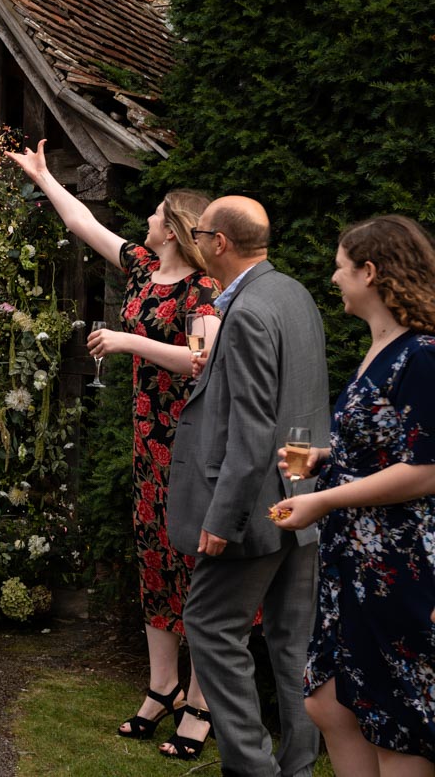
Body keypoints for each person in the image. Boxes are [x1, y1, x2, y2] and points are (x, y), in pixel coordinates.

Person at [8, 141, 218, 749]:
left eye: (155, 214)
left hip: (191, 440)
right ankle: (161, 687)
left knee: (196, 568)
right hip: (147, 440)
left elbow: (200, 362)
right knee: (155, 558)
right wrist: (45, 176)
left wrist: (129, 343)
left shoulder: (202, 291)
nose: (145, 220)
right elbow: (82, 222)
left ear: (175, 229)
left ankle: (200, 702)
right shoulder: (142, 268)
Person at [167, 195, 328, 774]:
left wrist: (222, 516)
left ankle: (254, 768)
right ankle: (299, 767)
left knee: (209, 625)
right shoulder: (293, 293)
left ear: (220, 243)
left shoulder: (252, 310)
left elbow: (255, 426)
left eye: (200, 232)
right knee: (292, 645)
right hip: (300, 501)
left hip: (254, 506)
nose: (195, 239)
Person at [271, 215, 435, 776]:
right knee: (327, 701)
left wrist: (325, 500)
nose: (334, 279)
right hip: (354, 561)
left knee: (396, 723)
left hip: (398, 561)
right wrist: (326, 462)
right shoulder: (380, 348)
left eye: (341, 268)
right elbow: (386, 446)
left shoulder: (422, 355)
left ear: (370, 272)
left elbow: (428, 469)